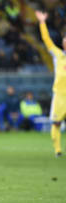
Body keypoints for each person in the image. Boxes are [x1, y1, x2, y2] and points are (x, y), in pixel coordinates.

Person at [35, 10, 66, 157]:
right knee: (56, 123)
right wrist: (42, 22)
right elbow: (46, 39)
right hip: (60, 95)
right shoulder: (58, 55)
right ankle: (58, 150)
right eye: (65, 41)